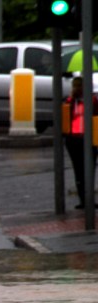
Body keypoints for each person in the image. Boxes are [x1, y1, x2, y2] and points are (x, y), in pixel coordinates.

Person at [63, 76, 98, 210]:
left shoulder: (88, 101)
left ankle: (86, 199)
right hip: (78, 139)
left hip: (81, 139)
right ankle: (85, 200)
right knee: (83, 170)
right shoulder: (71, 101)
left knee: (84, 170)